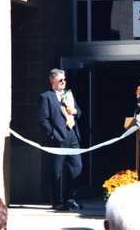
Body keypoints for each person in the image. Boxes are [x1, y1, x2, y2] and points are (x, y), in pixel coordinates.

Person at [38, 68, 84, 211]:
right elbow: (43, 120)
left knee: (77, 167)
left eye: (64, 79)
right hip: (58, 137)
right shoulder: (46, 97)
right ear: (53, 82)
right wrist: (52, 134)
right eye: (61, 80)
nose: (64, 82)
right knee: (56, 172)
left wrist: (74, 111)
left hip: (72, 136)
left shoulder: (69, 95)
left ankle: (69, 198)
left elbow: (79, 112)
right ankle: (57, 201)